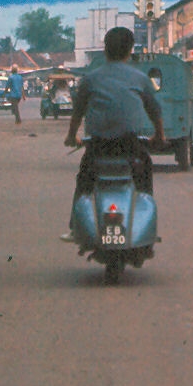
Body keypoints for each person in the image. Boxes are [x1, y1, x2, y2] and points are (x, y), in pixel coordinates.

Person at [62, 26, 166, 239]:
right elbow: (155, 112)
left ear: (105, 49)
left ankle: (75, 228)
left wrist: (72, 136)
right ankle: (146, 228)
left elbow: (78, 113)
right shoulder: (140, 78)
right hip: (131, 146)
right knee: (144, 178)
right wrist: (159, 137)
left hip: (98, 146)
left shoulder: (90, 79)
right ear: (130, 50)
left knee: (84, 181)